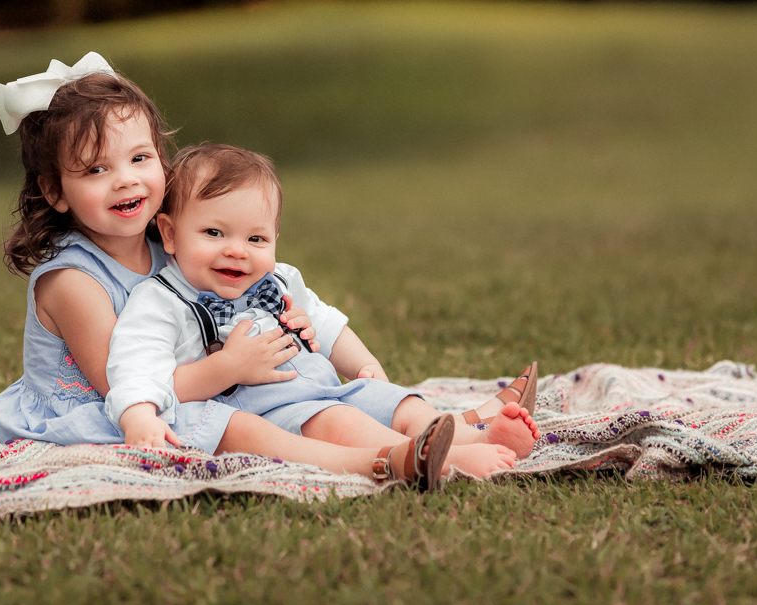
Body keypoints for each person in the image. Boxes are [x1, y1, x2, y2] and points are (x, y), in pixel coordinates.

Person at [0, 54, 528, 488]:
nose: (126, 180)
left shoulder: (172, 243)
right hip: (121, 409)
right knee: (237, 424)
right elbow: (128, 388)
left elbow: (267, 296)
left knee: (334, 397)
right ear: (55, 190)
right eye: (97, 169)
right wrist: (229, 368)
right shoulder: (75, 283)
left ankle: (469, 432)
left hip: (213, 386)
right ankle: (379, 462)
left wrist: (292, 329)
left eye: (140, 158)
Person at [105, 144, 541, 481]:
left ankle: (471, 434)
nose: (236, 250)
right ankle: (440, 458)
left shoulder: (278, 280)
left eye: (256, 239)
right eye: (214, 232)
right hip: (269, 413)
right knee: (342, 421)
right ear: (169, 233)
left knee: (397, 400)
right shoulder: (160, 301)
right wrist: (141, 417)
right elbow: (136, 365)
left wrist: (365, 364)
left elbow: (327, 323)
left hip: (322, 389)